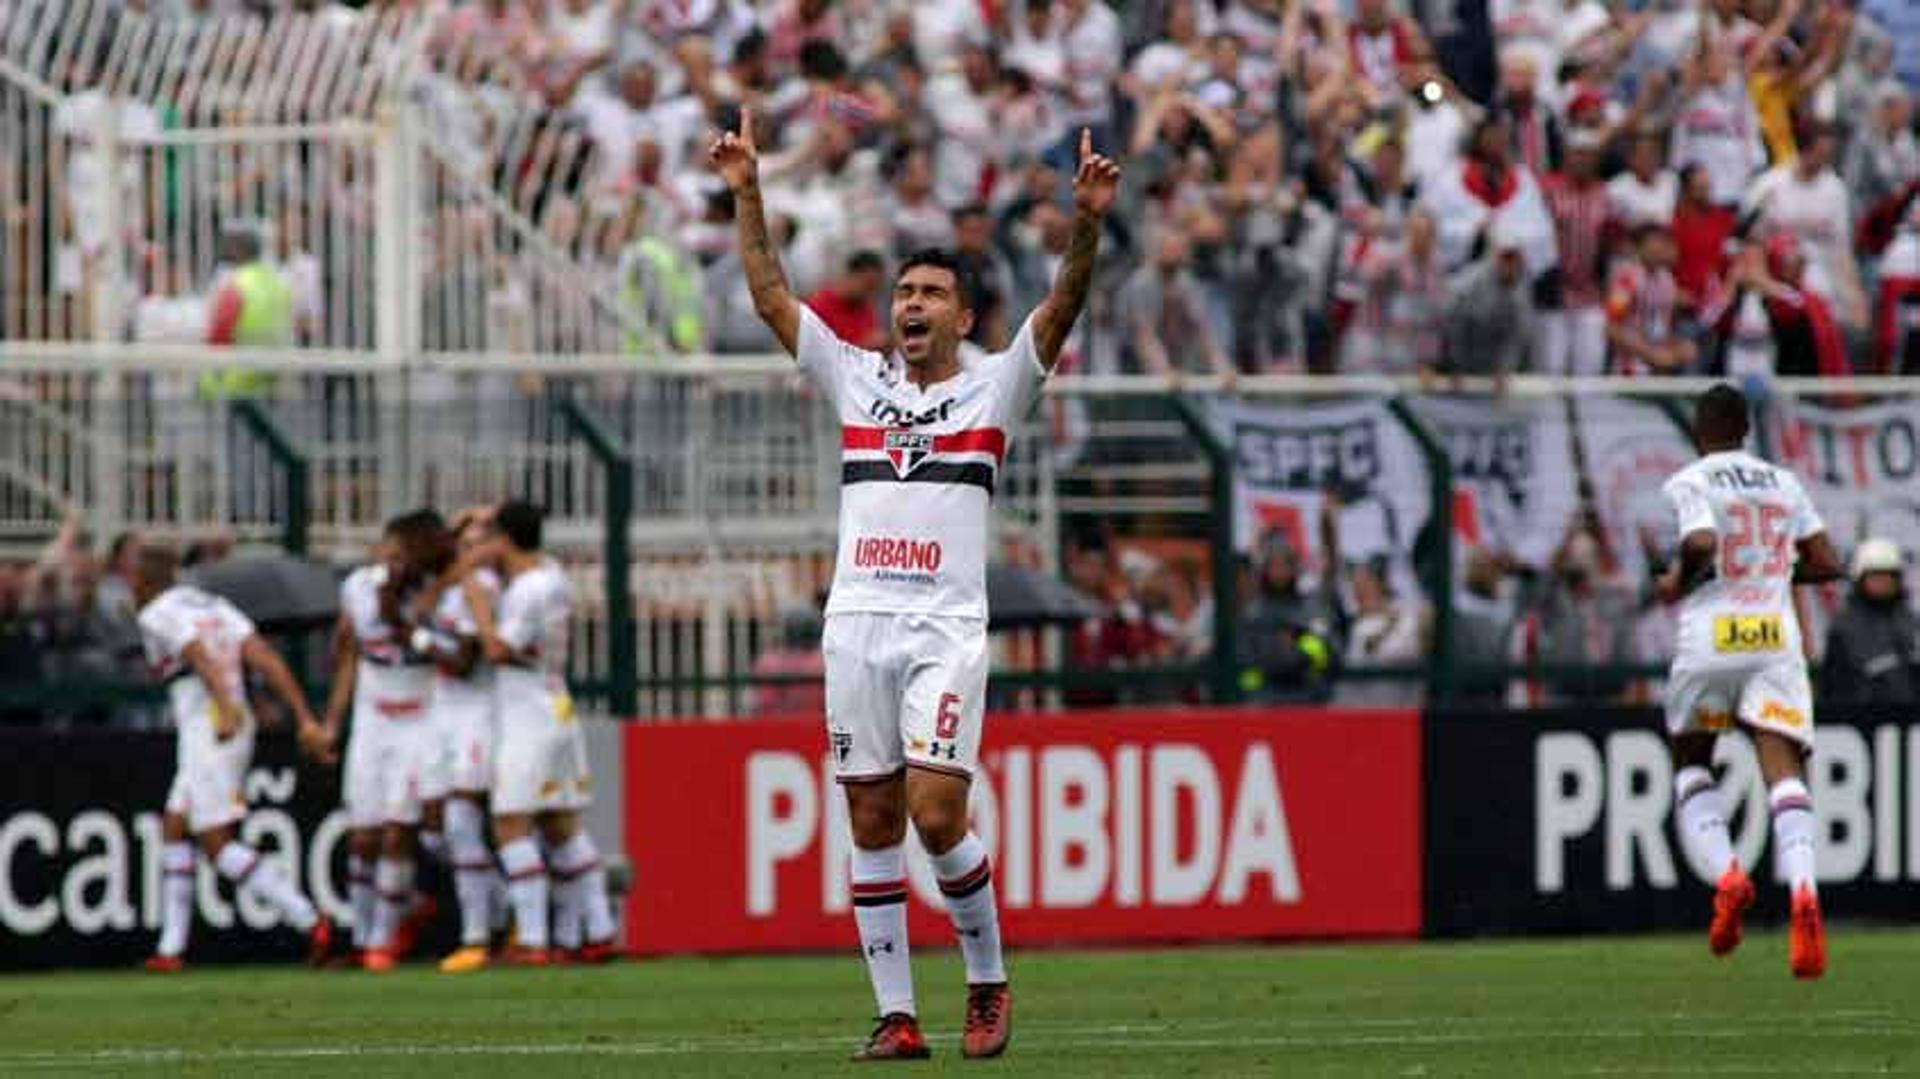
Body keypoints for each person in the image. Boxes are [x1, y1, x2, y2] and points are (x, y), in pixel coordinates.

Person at [709, 107, 1118, 1061]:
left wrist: (1087, 219)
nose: (913, 304)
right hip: (856, 624)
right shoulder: (856, 379)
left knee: (939, 814)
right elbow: (773, 298)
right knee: (870, 816)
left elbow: (1060, 308)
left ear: (964, 315)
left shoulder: (995, 387)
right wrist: (747, 194)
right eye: (904, 291)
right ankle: (896, 1015)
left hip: (942, 629)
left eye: (933, 291)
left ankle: (986, 980)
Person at [1654, 383, 1844, 980]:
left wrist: (1675, 577)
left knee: (1692, 762)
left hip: (1713, 636)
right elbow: (1827, 562)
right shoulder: (1784, 483)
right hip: (1772, 638)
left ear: (1699, 431)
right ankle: (1805, 893)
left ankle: (1729, 875)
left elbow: (1703, 542)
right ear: (1746, 430)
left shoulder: (1691, 480)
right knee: (1783, 770)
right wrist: (1776, 570)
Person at [136, 545, 335, 972]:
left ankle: (308, 918)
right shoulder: (214, 605)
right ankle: (171, 949)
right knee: (175, 825)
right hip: (221, 724)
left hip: (213, 725)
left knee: (216, 842)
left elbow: (196, 653)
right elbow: (264, 658)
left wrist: (225, 704)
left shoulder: (155, 612)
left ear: (142, 581)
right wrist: (304, 718)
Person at [466, 500, 618, 966]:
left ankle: (531, 940)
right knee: (560, 823)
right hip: (556, 704)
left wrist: (479, 608)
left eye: (489, 536)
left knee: (510, 822)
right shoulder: (552, 575)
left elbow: (498, 650)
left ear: (504, 540)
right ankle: (599, 929)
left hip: (527, 713)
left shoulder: (526, 591)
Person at [320, 512, 444, 972]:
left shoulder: (431, 594)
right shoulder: (356, 588)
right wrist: (333, 721)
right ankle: (360, 934)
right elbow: (350, 658)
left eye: (402, 556)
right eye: (388, 553)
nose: (393, 563)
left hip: (419, 719)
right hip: (373, 722)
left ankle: (381, 940)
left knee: (399, 830)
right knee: (362, 836)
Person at [410, 509, 506, 973]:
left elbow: (466, 661)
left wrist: (420, 640)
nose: (465, 553)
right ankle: (502, 905)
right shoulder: (447, 592)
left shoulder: (482, 590)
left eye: (475, 544)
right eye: (460, 544)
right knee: (432, 830)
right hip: (441, 717)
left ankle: (475, 937)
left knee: (463, 823)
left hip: (475, 715)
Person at [1819, 539, 1920, 705]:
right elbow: (1832, 687)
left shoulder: (1912, 621)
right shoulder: (1843, 628)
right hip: (1861, 719)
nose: (1884, 582)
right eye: (1876, 576)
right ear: (1859, 579)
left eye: (1889, 576)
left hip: (1911, 720)